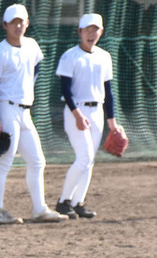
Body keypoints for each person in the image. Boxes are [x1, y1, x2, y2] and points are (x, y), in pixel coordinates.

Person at [0, 4, 67, 225]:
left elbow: (36, 65)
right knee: (5, 161)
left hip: (24, 111)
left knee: (38, 161)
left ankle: (40, 209)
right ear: (5, 25)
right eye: (13, 22)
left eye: (21, 21)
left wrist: (29, 84)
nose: (18, 25)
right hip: (5, 109)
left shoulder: (31, 45)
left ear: (27, 23)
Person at [54, 13, 124, 220]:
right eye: (87, 30)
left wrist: (112, 121)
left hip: (97, 111)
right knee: (84, 158)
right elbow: (66, 90)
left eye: (95, 30)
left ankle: (78, 202)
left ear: (101, 32)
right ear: (79, 32)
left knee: (89, 160)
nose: (91, 34)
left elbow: (108, 91)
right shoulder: (70, 56)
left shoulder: (104, 56)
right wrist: (77, 114)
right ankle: (63, 201)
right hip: (77, 110)